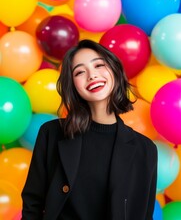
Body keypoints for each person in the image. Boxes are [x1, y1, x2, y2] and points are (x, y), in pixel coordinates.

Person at [21, 39, 157, 220]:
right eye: (80, 72)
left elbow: (143, 214)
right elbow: (33, 204)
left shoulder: (145, 149)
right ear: (73, 86)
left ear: (114, 71)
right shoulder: (51, 133)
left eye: (99, 65)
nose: (91, 75)